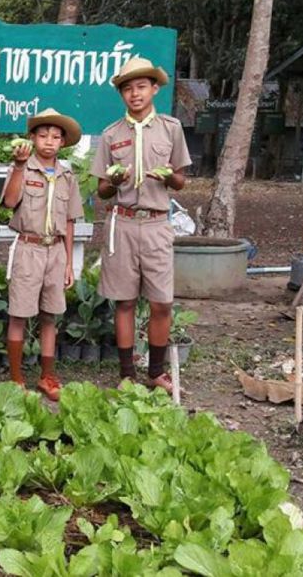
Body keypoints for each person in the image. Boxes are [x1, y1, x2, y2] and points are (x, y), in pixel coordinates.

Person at [90, 57, 191, 393]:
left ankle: (156, 371)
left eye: (141, 86)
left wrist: (168, 176)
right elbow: (102, 190)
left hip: (158, 223)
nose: (135, 94)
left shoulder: (171, 128)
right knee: (125, 301)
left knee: (162, 301)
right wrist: (114, 180)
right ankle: (127, 374)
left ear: (155, 88)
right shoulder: (110, 134)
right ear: (122, 94)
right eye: (128, 88)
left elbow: (181, 180)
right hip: (123, 223)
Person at [0, 108, 84, 401]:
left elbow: (71, 220)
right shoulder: (22, 168)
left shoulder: (67, 175)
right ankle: (16, 378)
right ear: (33, 138)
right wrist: (20, 167)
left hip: (56, 251)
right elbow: (10, 202)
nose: (49, 141)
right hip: (28, 248)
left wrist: (69, 264)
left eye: (56, 137)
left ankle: (47, 377)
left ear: (62, 143)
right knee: (19, 314)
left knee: (51, 316)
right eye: (43, 135)